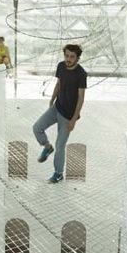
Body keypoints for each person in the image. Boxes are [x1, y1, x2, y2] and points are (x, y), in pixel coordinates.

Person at [33, 43, 87, 184]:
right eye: (66, 55)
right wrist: (52, 99)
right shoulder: (61, 66)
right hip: (57, 107)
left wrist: (74, 120)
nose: (68, 59)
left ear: (77, 58)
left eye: (72, 57)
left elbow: (81, 98)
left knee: (60, 145)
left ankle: (58, 174)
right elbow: (59, 84)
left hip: (68, 116)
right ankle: (46, 147)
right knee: (37, 127)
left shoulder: (81, 74)